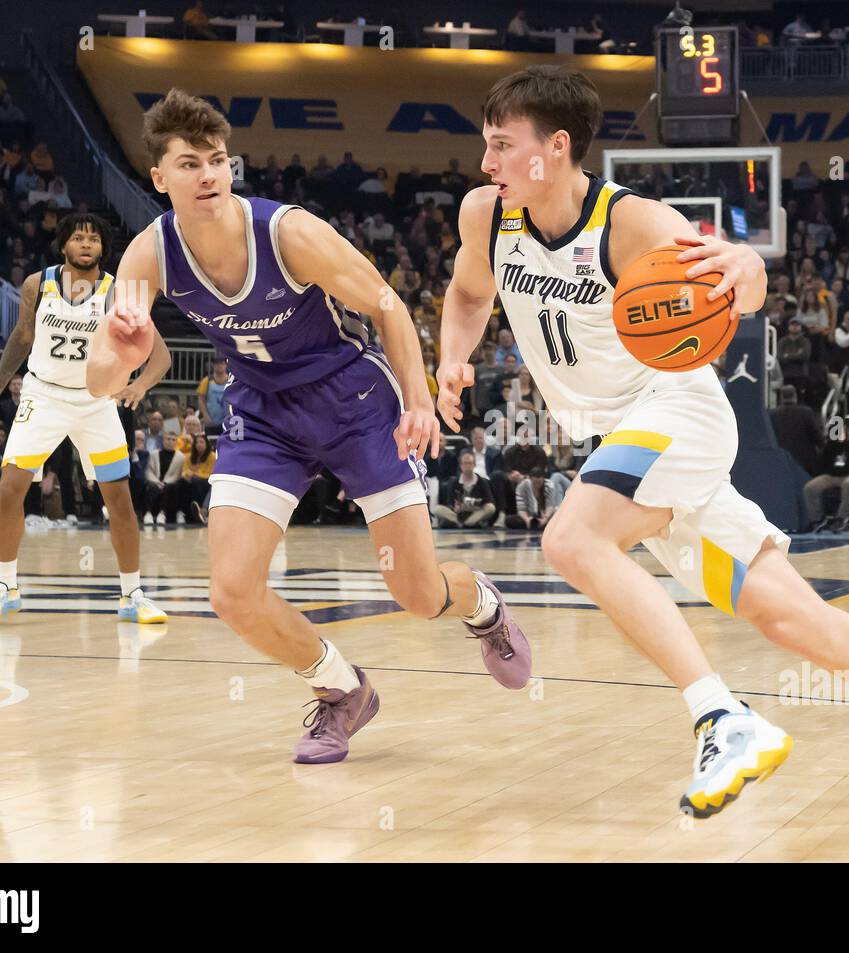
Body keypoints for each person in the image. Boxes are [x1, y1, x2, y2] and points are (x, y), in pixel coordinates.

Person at [436, 66, 849, 830]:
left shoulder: (629, 223)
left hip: (675, 411)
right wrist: (451, 357)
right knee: (800, 624)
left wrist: (745, 270)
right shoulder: (485, 216)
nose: (487, 163)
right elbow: (468, 294)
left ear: (555, 148)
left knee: (573, 536)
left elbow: (745, 277)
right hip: (623, 439)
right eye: (486, 147)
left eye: (502, 146)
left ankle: (720, 717)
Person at [85, 89, 531, 765]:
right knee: (232, 593)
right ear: (158, 177)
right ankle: (341, 688)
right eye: (189, 163)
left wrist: (419, 394)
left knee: (416, 591)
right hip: (264, 413)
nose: (207, 174)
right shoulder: (149, 257)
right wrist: (119, 349)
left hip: (354, 400)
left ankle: (484, 608)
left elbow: (386, 300)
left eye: (217, 160)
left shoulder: (287, 232)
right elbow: (96, 381)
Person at [0, 212, 171, 625]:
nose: (85, 244)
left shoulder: (119, 291)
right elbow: (21, 338)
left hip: (96, 401)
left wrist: (139, 386)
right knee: (10, 488)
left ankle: (132, 593)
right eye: (77, 238)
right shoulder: (37, 284)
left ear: (102, 248)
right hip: (41, 395)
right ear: (63, 245)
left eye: (93, 239)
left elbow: (161, 355)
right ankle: (6, 586)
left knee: (120, 499)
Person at [803, 415, 849, 533]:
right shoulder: (834, 444)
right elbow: (823, 458)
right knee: (810, 487)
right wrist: (834, 441)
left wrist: (847, 441)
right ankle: (817, 519)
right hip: (832, 475)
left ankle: (841, 518)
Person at [433, 449, 496, 527]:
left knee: (491, 507)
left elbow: (489, 501)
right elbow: (450, 502)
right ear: (461, 466)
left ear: (474, 465)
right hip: (459, 514)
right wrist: (455, 507)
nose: (467, 466)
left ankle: (466, 523)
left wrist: (476, 504)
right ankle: (466, 523)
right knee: (437, 509)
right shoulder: (453, 482)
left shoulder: (482, 481)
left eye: (470, 463)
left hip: (476, 512)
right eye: (465, 463)